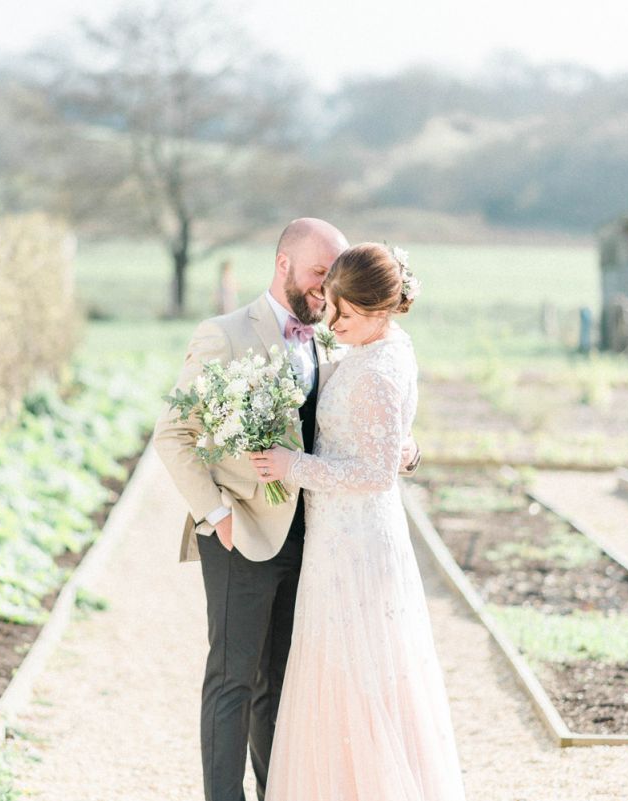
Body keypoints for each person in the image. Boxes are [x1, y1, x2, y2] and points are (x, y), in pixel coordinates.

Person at [153, 218, 422, 801]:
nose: (328, 291)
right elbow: (173, 435)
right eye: (320, 273)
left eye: (336, 276)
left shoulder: (333, 333)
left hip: (321, 541)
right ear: (284, 265)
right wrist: (216, 516)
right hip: (242, 534)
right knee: (233, 680)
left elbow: (364, 427)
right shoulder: (223, 334)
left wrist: (407, 449)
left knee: (281, 687)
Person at [249, 243, 467, 801]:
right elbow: (386, 445)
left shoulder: (380, 369)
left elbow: (374, 473)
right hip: (340, 533)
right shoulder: (376, 345)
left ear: (382, 310)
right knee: (340, 666)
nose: (332, 322)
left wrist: (290, 465)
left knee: (354, 666)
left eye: (345, 314)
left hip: (356, 540)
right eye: (332, 308)